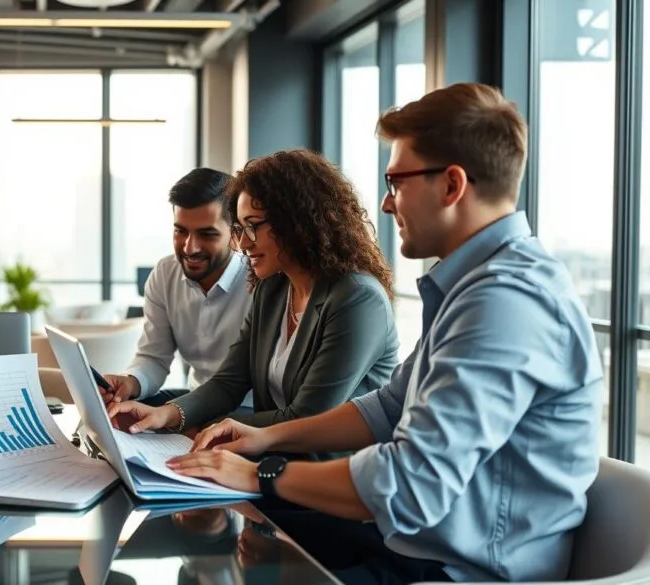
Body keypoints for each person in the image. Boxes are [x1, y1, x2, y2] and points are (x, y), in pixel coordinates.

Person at [165, 83, 602, 583]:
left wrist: (264, 473)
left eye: (396, 181)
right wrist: (264, 437)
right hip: (418, 540)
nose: (387, 204)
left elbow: (410, 485)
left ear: (451, 185)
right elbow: (388, 406)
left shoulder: (505, 302)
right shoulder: (474, 287)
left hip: (462, 568)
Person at [110, 149, 399, 442]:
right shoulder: (273, 289)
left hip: (333, 469)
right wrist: (165, 414)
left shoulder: (358, 299)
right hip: (272, 452)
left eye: (253, 226)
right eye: (241, 227)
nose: (244, 242)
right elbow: (228, 382)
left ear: (296, 222)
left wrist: (215, 427)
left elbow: (308, 416)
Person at [100, 167, 255, 408]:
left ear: (235, 233)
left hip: (249, 409)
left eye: (207, 234)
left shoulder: (258, 279)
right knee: (118, 410)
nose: (190, 248)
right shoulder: (164, 275)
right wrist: (129, 384)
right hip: (195, 400)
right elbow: (154, 357)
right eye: (180, 231)